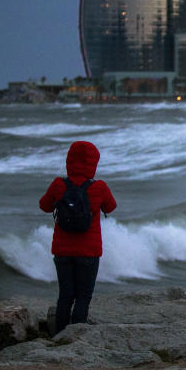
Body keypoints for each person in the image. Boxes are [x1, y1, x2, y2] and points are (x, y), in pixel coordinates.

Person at [39, 141, 117, 334]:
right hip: (88, 252)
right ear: (93, 164)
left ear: (69, 160)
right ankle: (76, 336)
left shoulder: (59, 184)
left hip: (62, 251)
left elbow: (44, 206)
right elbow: (111, 207)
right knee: (83, 296)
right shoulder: (99, 187)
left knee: (65, 296)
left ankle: (59, 335)